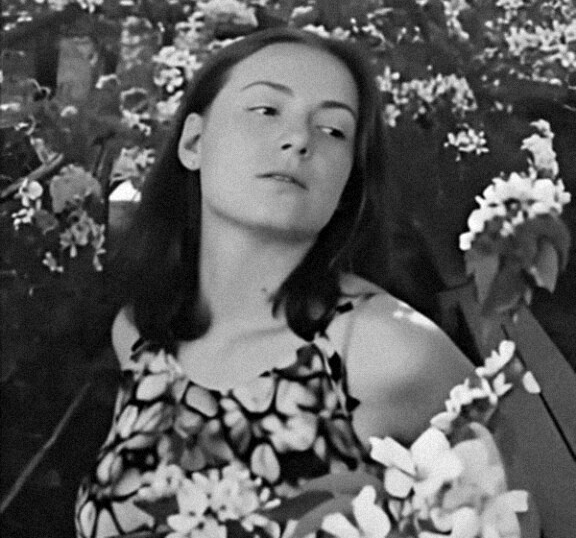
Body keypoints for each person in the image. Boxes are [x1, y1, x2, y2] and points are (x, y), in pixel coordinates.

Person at [74, 27, 493, 536]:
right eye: (267, 110)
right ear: (193, 142)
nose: (300, 140)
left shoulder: (390, 351)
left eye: (333, 130)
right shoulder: (141, 334)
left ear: (347, 183)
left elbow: (513, 512)